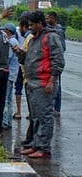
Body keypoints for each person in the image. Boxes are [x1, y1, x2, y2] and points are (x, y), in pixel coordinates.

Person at [15, 11, 65, 159]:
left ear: (39, 23)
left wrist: (52, 81)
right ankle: (35, 145)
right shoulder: (33, 39)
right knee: (35, 117)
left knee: (44, 116)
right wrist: (20, 53)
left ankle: (44, 148)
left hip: (44, 83)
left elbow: (58, 61)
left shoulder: (51, 37)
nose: (30, 27)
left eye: (32, 25)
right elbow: (29, 59)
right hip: (32, 83)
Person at [46, 11, 66, 117]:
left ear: (53, 19)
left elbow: (62, 48)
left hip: (56, 62)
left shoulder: (59, 31)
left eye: (48, 18)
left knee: (56, 85)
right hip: (48, 62)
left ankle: (57, 108)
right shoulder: (47, 30)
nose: (47, 20)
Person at [0, 22, 20, 130]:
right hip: (12, 73)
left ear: (8, 31)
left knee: (6, 98)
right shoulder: (14, 41)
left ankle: (5, 121)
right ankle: (7, 121)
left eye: (4, 30)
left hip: (9, 73)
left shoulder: (11, 42)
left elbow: (7, 58)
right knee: (8, 98)